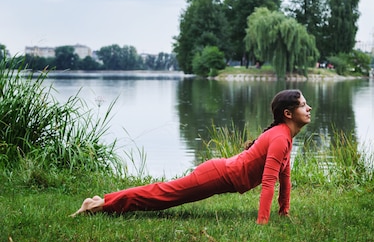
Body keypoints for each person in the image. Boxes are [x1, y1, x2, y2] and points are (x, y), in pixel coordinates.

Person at [71, 89, 312, 224]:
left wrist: (284, 212)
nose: (309, 108)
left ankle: (102, 201)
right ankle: (100, 205)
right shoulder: (280, 138)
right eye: (303, 105)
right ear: (288, 113)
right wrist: (262, 222)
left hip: (220, 174)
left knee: (164, 193)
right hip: (216, 174)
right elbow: (269, 183)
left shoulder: (284, 137)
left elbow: (285, 179)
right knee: (164, 195)